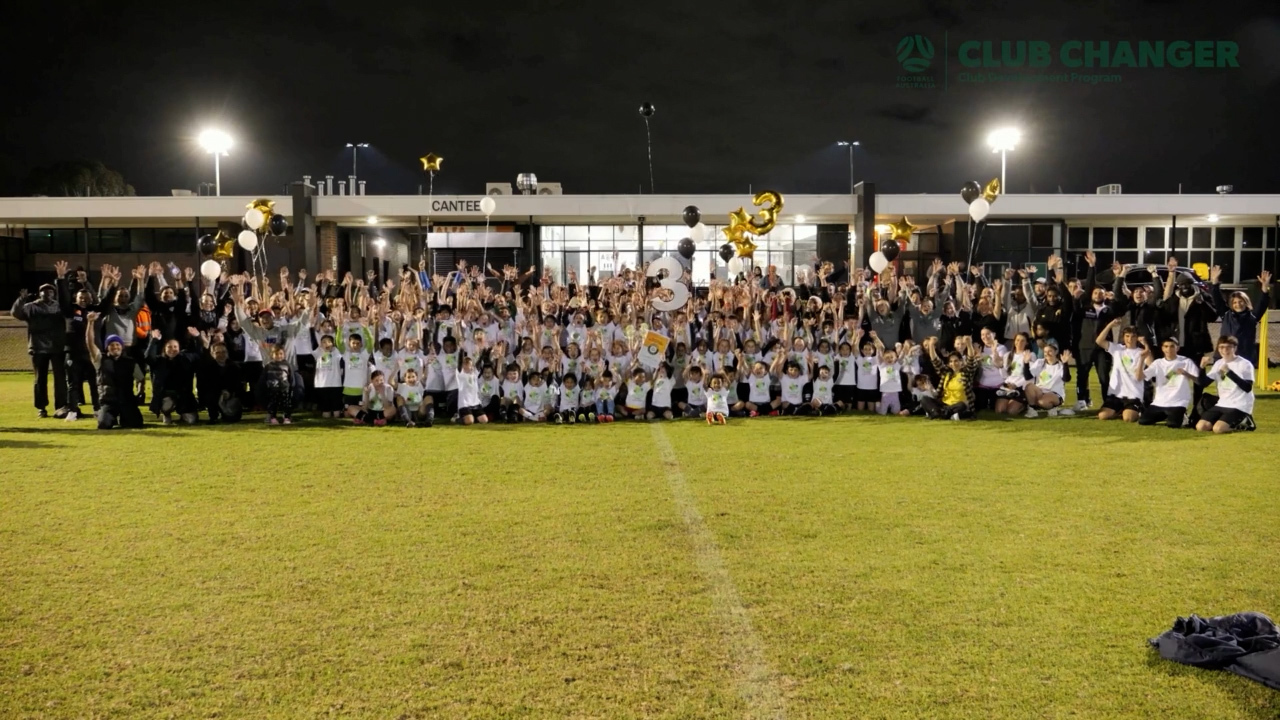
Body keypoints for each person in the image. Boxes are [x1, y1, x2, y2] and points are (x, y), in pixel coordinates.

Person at [11, 281, 66, 418]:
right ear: (39, 293)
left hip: (57, 347)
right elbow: (16, 313)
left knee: (60, 378)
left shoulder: (59, 307)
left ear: (54, 293)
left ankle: (61, 405)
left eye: (50, 291)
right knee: (40, 380)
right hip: (38, 347)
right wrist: (21, 299)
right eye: (44, 291)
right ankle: (41, 407)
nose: (47, 293)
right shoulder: (31, 307)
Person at [84, 312, 143, 430]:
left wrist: (139, 393)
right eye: (111, 345)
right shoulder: (100, 359)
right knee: (103, 425)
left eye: (117, 344)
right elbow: (90, 343)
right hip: (108, 401)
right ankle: (109, 417)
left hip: (126, 400)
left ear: (122, 347)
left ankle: (124, 417)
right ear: (107, 348)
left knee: (135, 423)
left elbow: (140, 379)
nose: (115, 347)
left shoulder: (130, 362)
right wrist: (90, 323)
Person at [1210, 268, 1272, 368]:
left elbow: (1263, 303)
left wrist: (1265, 287)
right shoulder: (1226, 314)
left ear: (1246, 302)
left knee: (1243, 383)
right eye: (1234, 302)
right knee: (1224, 383)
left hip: (1244, 357)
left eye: (1240, 301)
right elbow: (1217, 298)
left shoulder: (1252, 316)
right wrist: (1214, 282)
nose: (1237, 304)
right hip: (1224, 356)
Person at [1196, 335, 1256, 434]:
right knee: (1201, 427)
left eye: (1228, 347)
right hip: (1223, 403)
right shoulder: (1218, 363)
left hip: (1240, 404)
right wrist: (1202, 368)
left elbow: (1247, 388)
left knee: (1218, 429)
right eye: (1221, 347)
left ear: (1235, 348)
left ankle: (1246, 423)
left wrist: (1229, 372)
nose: (1225, 350)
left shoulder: (1245, 364)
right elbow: (1203, 383)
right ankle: (1225, 421)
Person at [1139, 337, 1198, 429]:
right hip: (1159, 402)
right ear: (1162, 348)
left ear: (1177, 348)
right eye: (1166, 346)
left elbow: (1198, 380)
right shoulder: (1158, 363)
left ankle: (1181, 415)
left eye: (1172, 346)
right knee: (1143, 421)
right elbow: (1140, 377)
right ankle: (1168, 415)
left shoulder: (1186, 361)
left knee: (1173, 424)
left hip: (1178, 402)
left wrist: (1186, 373)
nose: (1169, 349)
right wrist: (1142, 359)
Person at [1096, 319, 1146, 423]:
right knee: (1102, 416)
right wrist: (1110, 325)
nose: (1130, 339)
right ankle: (1119, 410)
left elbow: (1151, 362)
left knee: (1128, 418)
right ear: (1123, 337)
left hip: (1133, 394)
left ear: (1137, 338)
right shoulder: (1117, 349)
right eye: (1127, 336)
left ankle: (1137, 409)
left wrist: (1147, 346)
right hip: (1116, 394)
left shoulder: (1141, 352)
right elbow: (1099, 341)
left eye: (1133, 336)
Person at [921, 335, 981, 420]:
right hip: (944, 403)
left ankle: (937, 413)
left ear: (961, 362)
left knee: (962, 405)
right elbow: (935, 360)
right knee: (924, 399)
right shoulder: (946, 373)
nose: (954, 363)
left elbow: (971, 359)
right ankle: (943, 414)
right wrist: (931, 345)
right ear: (949, 364)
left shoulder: (966, 373)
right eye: (951, 362)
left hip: (958, 405)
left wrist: (968, 344)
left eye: (956, 361)